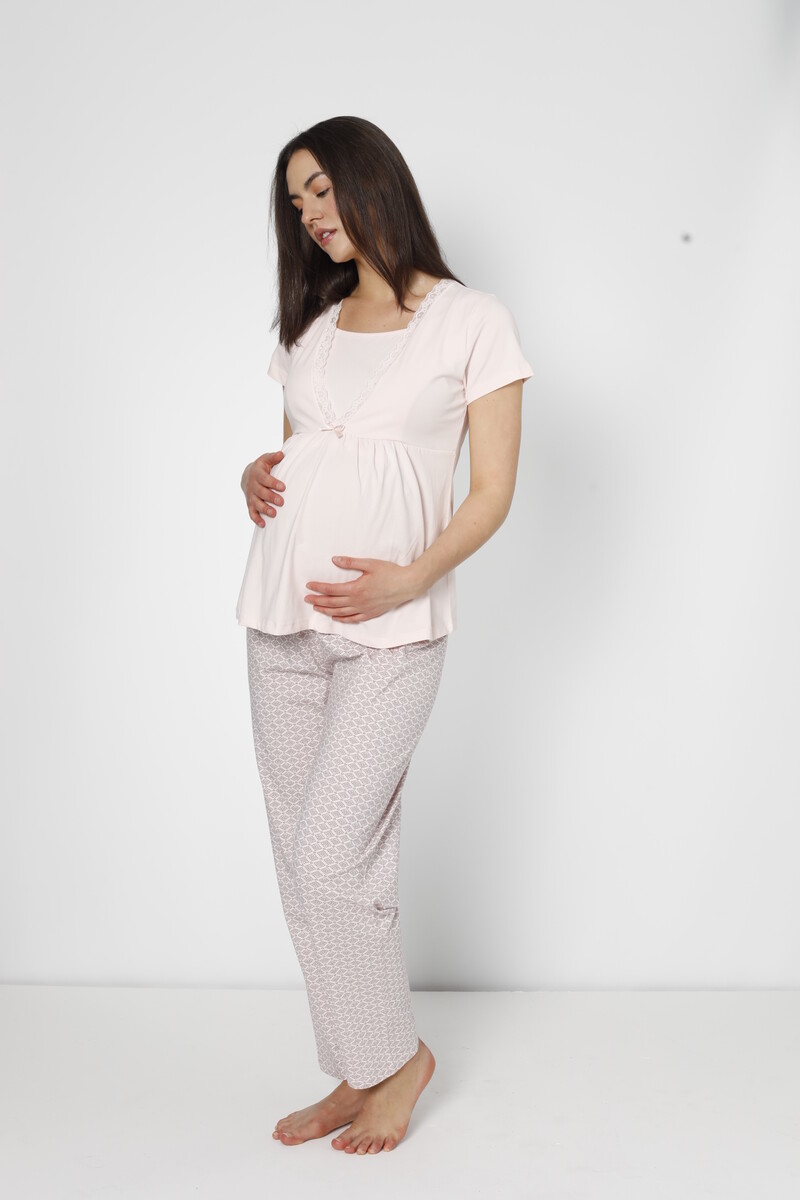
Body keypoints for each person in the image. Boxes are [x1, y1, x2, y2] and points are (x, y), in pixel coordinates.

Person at [236, 115, 533, 1155]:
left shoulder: (469, 320)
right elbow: (301, 455)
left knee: (333, 855)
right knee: (300, 864)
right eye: (297, 201)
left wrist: (410, 577)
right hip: (277, 618)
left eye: (322, 189)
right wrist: (251, 476)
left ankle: (399, 1061)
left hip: (393, 631)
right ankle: (358, 1066)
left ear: (373, 180)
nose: (311, 215)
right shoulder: (310, 325)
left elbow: (490, 491)